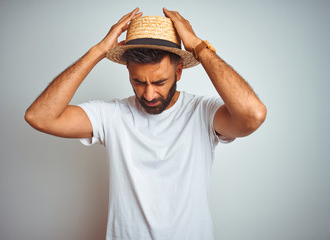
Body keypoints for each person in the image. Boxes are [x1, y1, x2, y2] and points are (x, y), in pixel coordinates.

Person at [25, 7, 267, 240]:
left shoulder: (202, 112)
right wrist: (99, 51)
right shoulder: (113, 114)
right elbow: (40, 117)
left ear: (179, 71)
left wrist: (197, 46)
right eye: (138, 82)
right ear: (128, 72)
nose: (149, 95)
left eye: (160, 82)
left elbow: (252, 116)